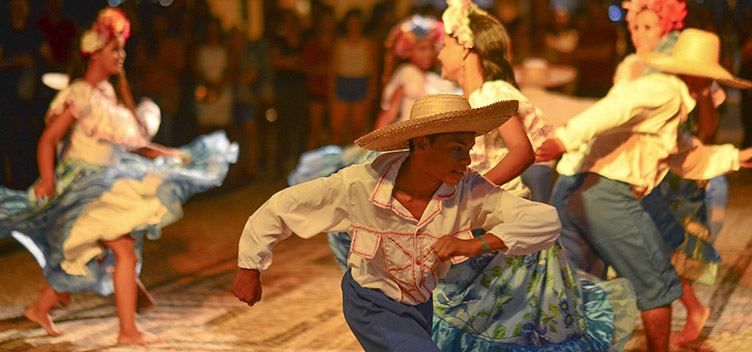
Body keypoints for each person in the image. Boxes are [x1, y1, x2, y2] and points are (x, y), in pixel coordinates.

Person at [233, 93, 563, 351]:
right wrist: (250, 265)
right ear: (421, 144)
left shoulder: (469, 190)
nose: (466, 160)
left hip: (420, 305)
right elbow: (283, 207)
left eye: (469, 149)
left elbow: (545, 221)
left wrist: (476, 243)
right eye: (456, 149)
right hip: (371, 302)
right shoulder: (359, 185)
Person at [0, 8, 237, 344]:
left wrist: (176, 155)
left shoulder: (108, 96)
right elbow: (48, 139)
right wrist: (47, 179)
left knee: (92, 253)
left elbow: (135, 147)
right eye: (115, 49)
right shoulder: (80, 93)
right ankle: (127, 330)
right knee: (120, 248)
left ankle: (42, 308)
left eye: (122, 49)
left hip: (105, 182)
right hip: (82, 187)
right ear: (95, 53)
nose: (122, 56)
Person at [429, 2, 635, 350]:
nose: (440, 53)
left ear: (466, 48)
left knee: (499, 324)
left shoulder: (493, 92)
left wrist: (474, 190)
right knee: (484, 320)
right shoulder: (474, 96)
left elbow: (522, 151)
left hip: (500, 221)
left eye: (446, 43)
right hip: (483, 217)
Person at [536, 29, 752, 352]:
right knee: (658, 284)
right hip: (603, 193)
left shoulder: (671, 102)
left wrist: (735, 157)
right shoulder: (664, 90)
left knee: (579, 287)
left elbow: (682, 154)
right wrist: (564, 139)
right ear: (701, 78)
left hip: (575, 190)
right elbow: (614, 109)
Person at [328, 9, 379, 146]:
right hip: (342, 82)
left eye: (357, 23)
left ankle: (353, 162)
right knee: (337, 130)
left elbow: (373, 68)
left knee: (357, 129)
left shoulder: (368, 43)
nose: (354, 26)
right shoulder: (340, 43)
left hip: (360, 83)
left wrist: (371, 91)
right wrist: (332, 91)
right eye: (351, 23)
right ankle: (335, 163)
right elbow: (333, 68)